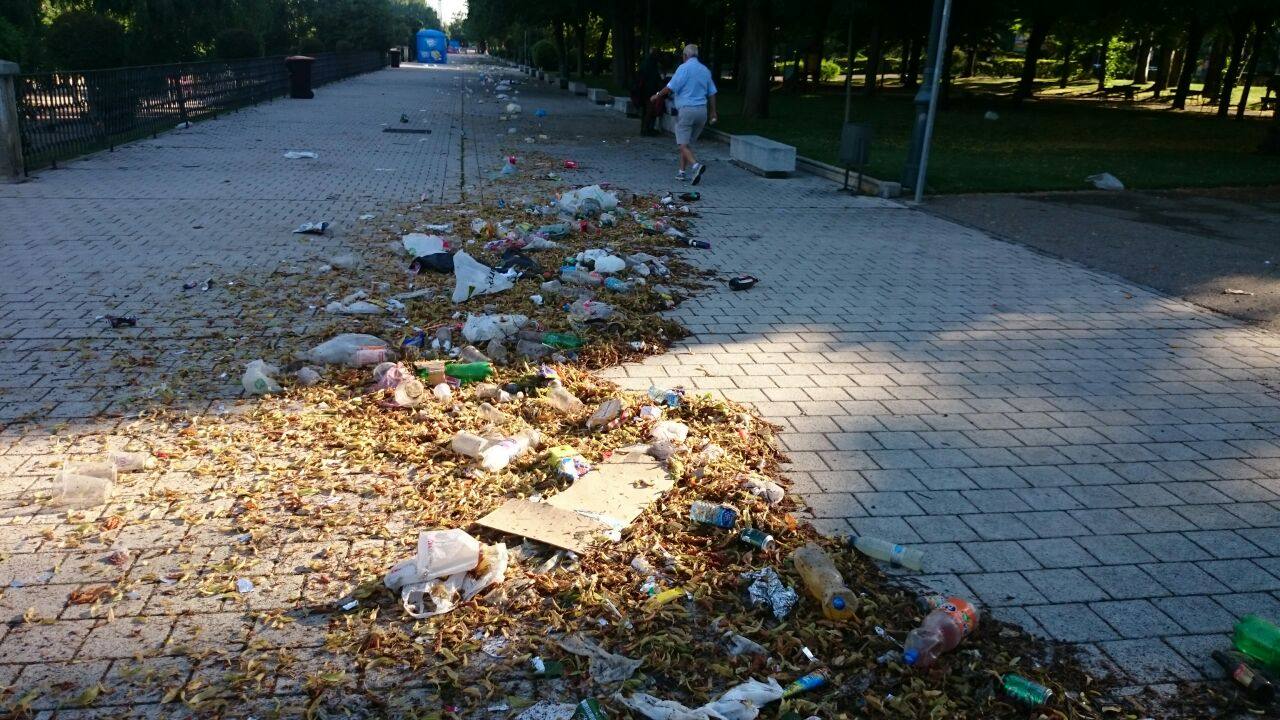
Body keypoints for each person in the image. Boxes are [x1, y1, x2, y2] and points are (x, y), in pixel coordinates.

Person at [650, 44, 717, 185]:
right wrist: (713, 112)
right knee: (687, 145)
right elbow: (712, 93)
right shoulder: (705, 70)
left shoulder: (683, 68)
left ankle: (696, 166)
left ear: (685, 56)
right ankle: (681, 173)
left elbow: (670, 87)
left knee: (682, 144)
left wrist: (657, 95)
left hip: (687, 110)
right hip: (702, 112)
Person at [633, 49, 664, 136]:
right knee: (650, 110)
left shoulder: (646, 63)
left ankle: (646, 129)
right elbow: (654, 78)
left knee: (647, 111)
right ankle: (647, 129)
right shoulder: (653, 65)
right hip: (650, 90)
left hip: (643, 90)